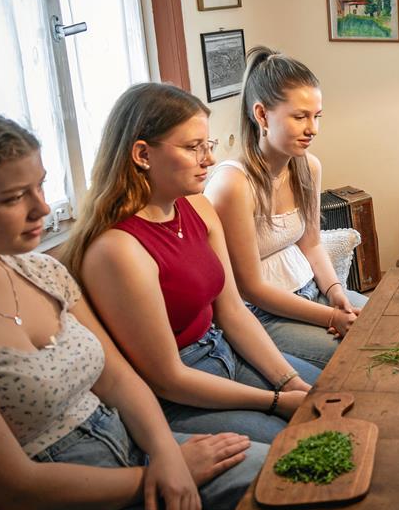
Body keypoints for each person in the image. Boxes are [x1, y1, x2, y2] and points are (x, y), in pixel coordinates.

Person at [0, 108, 265, 510]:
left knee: (286, 472)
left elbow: (118, 381)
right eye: (13, 198)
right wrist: (157, 478)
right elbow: (14, 491)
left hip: (131, 443)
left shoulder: (41, 272)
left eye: (40, 185)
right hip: (65, 508)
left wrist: (167, 453)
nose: (41, 207)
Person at [61, 83, 319, 444]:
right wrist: (275, 400)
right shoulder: (117, 249)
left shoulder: (195, 206)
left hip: (222, 348)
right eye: (191, 147)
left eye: (207, 145)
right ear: (142, 154)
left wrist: (289, 381)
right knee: (289, 440)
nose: (208, 159)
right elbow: (168, 378)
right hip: (179, 392)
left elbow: (232, 312)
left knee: (324, 397)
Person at [207, 47, 366, 371]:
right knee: (359, 355)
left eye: (316, 116)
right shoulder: (234, 185)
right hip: (262, 314)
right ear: (262, 115)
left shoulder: (307, 167)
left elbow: (310, 244)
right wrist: (332, 317)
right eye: (299, 117)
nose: (313, 129)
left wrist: (336, 292)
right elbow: (251, 288)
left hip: (310, 291)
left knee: (385, 327)